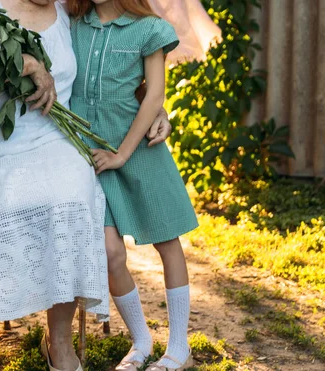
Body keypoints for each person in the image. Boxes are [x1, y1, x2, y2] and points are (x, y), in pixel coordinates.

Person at [0, 0, 172, 370]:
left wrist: (154, 106)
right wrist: (23, 64)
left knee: (69, 199)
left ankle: (59, 343)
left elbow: (109, 69)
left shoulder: (70, 14)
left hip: (48, 138)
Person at [67, 0, 199, 370]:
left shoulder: (148, 29)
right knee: (110, 254)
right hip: (90, 157)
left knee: (167, 241)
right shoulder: (75, 24)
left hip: (137, 148)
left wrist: (123, 153)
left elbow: (154, 95)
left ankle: (179, 348)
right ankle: (140, 341)